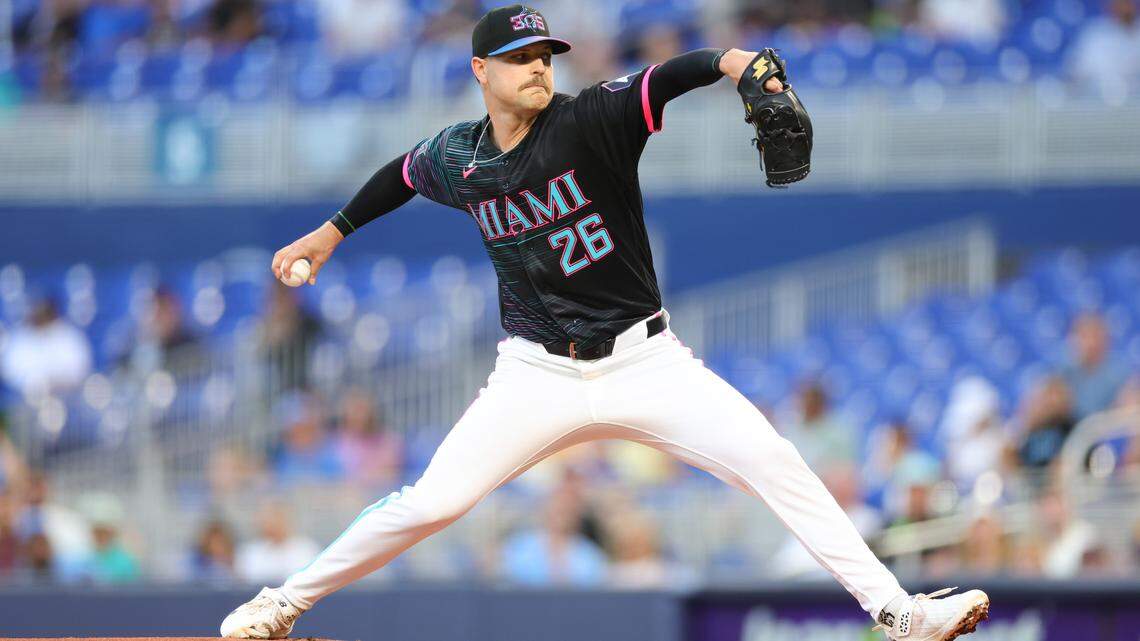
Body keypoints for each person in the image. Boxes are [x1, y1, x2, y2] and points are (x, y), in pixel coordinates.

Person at [220, 6, 989, 640]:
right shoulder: (461, 156)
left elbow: (668, 76)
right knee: (432, 503)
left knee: (772, 458)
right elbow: (403, 173)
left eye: (544, 55)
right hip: (536, 372)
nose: (538, 67)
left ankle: (900, 612)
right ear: (481, 70)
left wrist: (733, 62)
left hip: (642, 362)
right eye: (519, 57)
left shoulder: (591, 119)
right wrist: (332, 232)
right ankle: (280, 604)